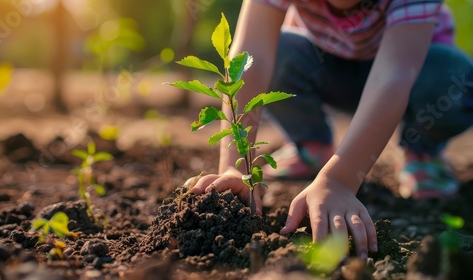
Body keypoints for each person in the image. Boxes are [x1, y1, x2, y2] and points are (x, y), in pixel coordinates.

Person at [189, 0, 473, 259]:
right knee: (282, 51)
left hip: (415, 70)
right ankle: (311, 144)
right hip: (328, 65)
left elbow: (394, 76)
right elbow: (252, 57)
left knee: (455, 80)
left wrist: (340, 180)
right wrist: (235, 166)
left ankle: (422, 151)